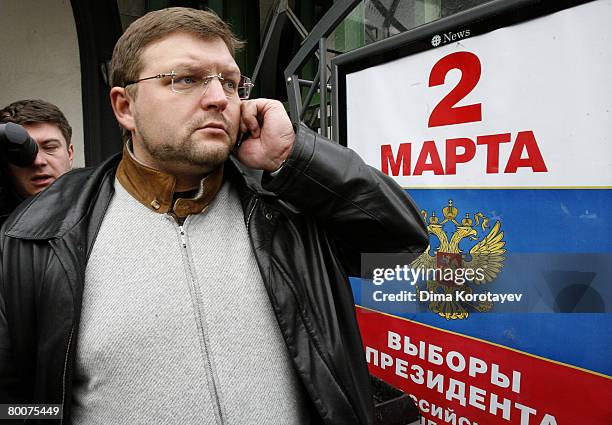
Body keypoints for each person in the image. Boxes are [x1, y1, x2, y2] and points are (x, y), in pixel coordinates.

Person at [0, 7, 427, 425]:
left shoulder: (287, 207)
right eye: (186, 79)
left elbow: (399, 247)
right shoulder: (36, 238)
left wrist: (292, 158)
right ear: (124, 107)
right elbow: (13, 401)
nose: (219, 98)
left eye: (231, 82)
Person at [0, 99, 74, 220]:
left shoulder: (101, 207)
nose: (38, 161)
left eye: (50, 147)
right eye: (21, 151)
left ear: (70, 154)